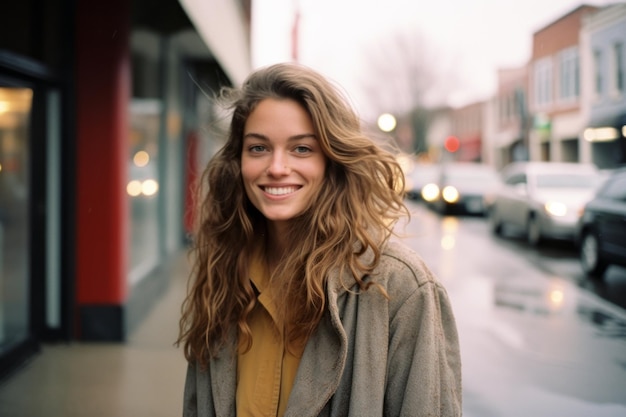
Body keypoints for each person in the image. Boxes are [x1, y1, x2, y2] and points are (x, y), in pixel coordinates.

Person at [177, 62, 462, 417]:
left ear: (332, 160)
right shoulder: (224, 274)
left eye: (301, 149)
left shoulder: (401, 287)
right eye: (258, 148)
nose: (277, 167)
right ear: (237, 161)